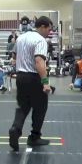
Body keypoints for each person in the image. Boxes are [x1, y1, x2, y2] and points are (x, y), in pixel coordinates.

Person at [8, 16, 53, 152]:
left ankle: (15, 128)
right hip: (34, 77)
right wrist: (45, 82)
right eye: (49, 30)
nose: (49, 33)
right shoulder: (40, 40)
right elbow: (39, 61)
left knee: (23, 106)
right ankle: (34, 137)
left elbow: (13, 58)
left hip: (20, 77)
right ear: (42, 27)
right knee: (40, 107)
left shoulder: (21, 37)